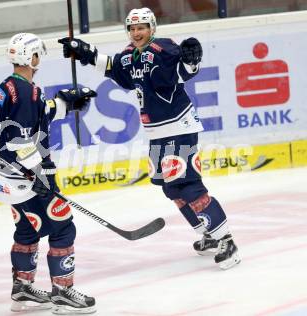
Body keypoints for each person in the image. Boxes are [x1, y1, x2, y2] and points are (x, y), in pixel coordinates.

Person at [58, 8, 241, 270]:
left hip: (179, 127)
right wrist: (84, 51)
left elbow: (184, 70)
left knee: (189, 185)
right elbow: (112, 67)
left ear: (152, 28)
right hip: (156, 132)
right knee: (171, 188)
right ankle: (208, 234)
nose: (136, 33)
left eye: (141, 27)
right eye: (132, 28)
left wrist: (191, 62)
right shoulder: (129, 55)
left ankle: (227, 239)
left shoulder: (164, 48)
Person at [0, 32, 97, 314]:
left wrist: (62, 103)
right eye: (38, 53)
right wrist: (37, 173)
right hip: (27, 177)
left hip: (8, 178)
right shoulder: (27, 92)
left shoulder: (7, 87)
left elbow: (31, 119)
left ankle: (23, 289)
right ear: (31, 56)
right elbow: (20, 139)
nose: (40, 59)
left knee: (27, 227)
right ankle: (63, 292)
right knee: (63, 226)